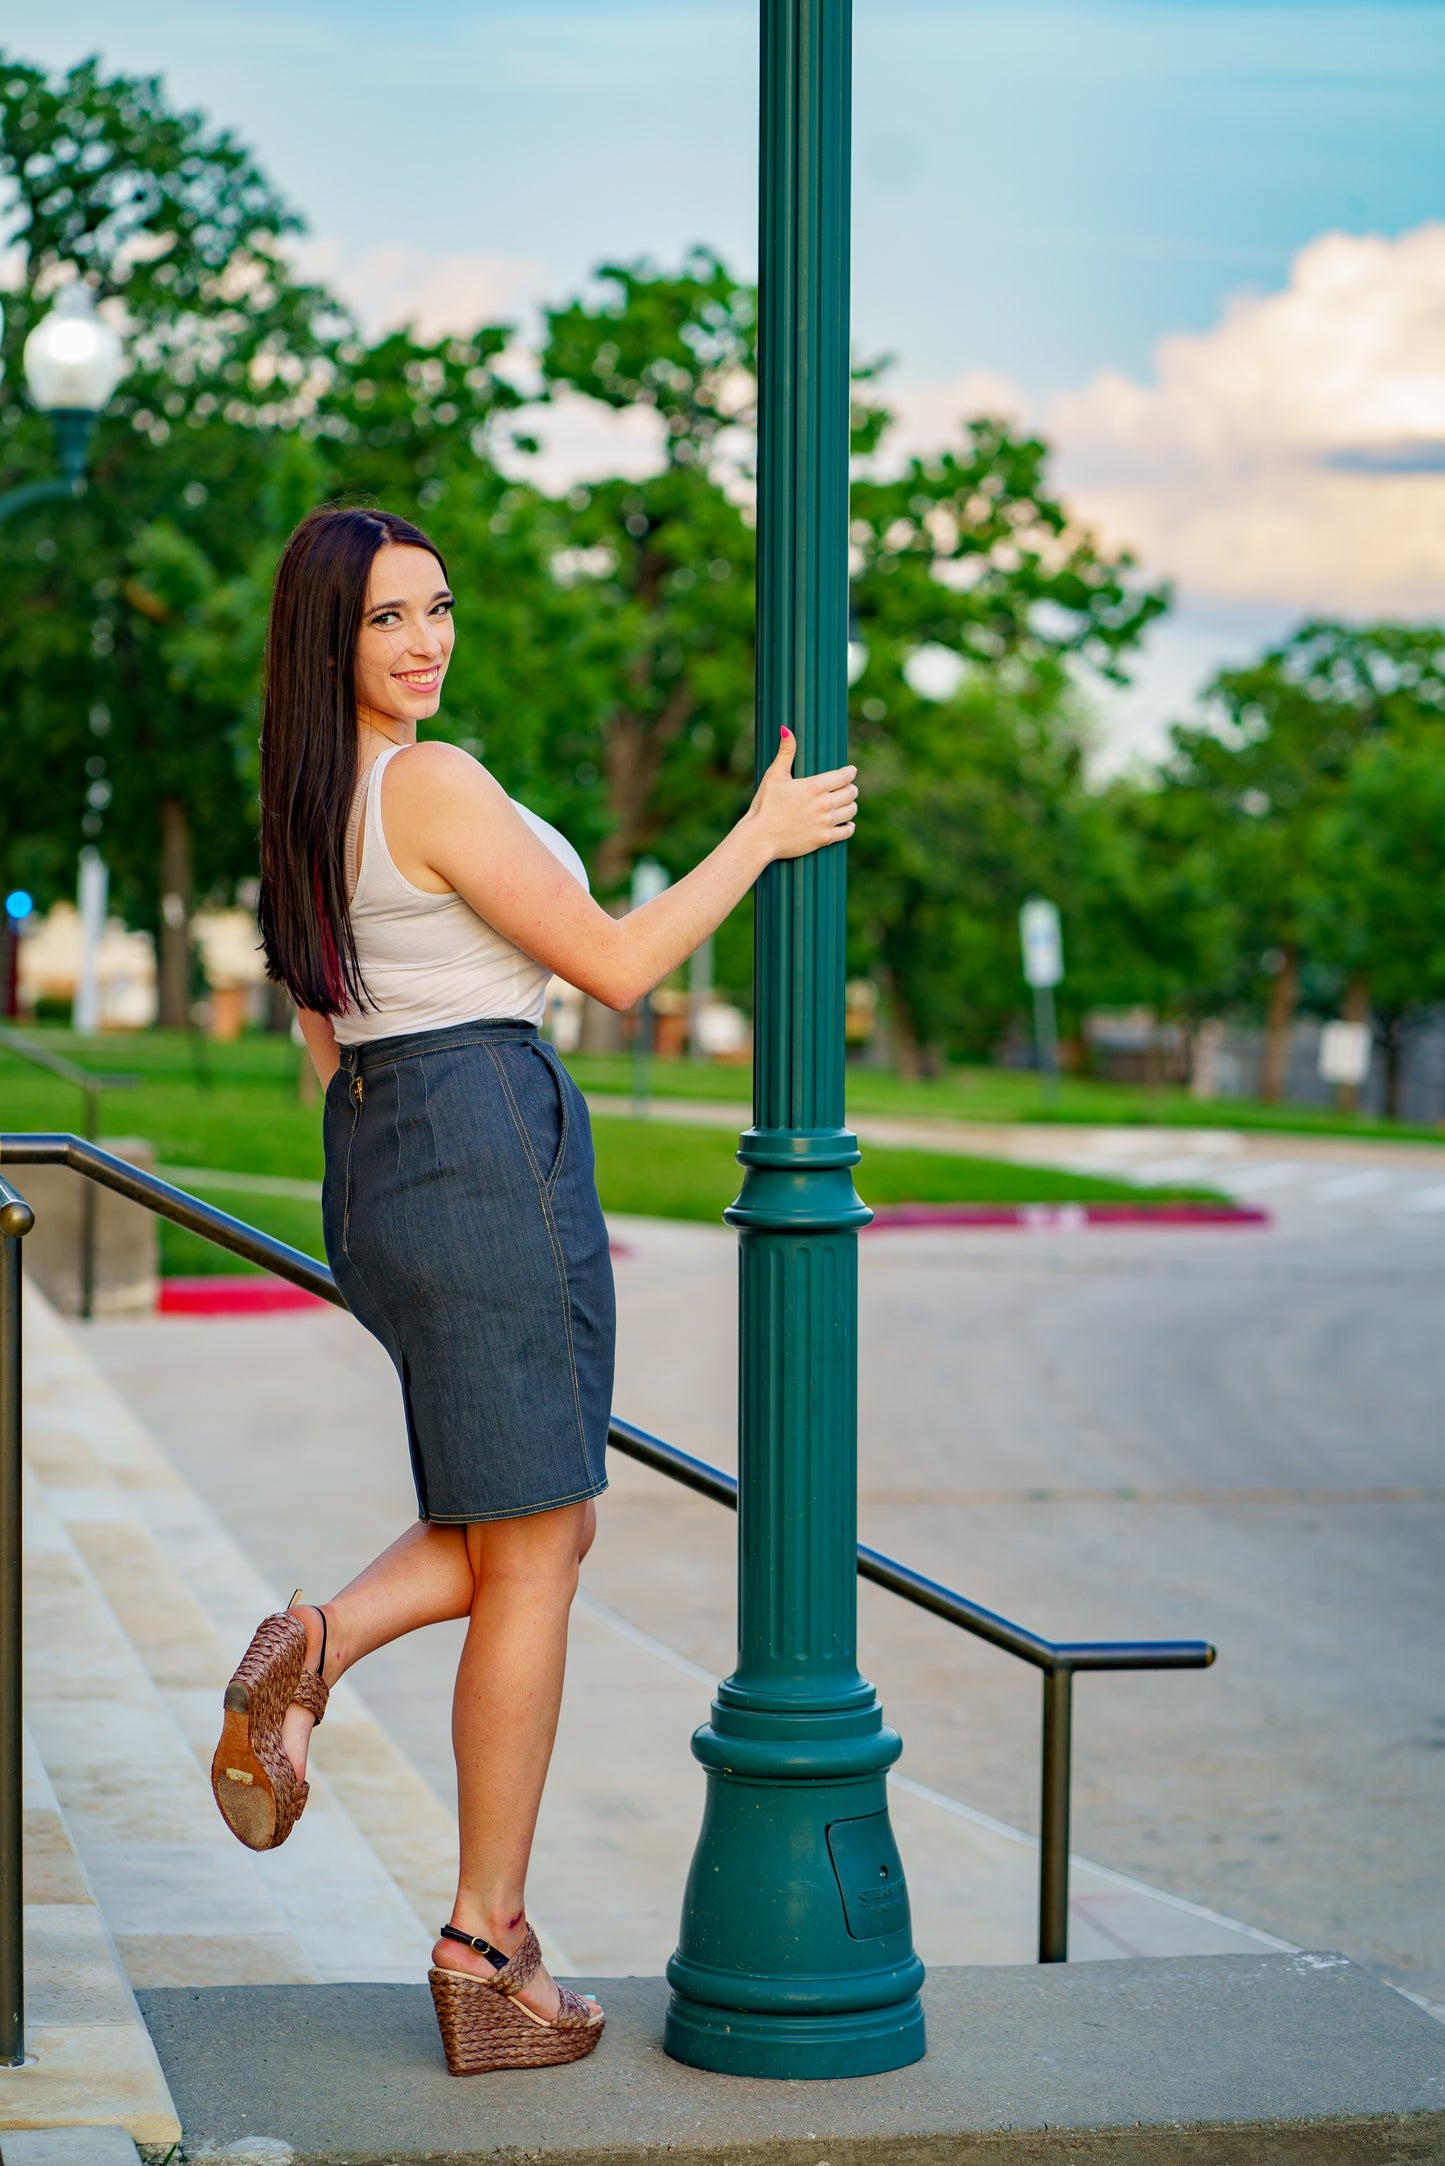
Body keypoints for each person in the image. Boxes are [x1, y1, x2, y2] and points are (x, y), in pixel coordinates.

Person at [209, 503, 859, 2075]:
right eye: (387, 619)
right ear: (329, 641)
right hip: (486, 1141)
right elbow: (618, 963)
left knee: (542, 1520)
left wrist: (406, 1152)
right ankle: (482, 1935)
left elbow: (322, 1032)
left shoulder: (305, 799)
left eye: (437, 609)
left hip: (387, 1149)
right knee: (538, 1555)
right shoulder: (428, 782)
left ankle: (320, 1645)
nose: (426, 641)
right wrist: (759, 839)